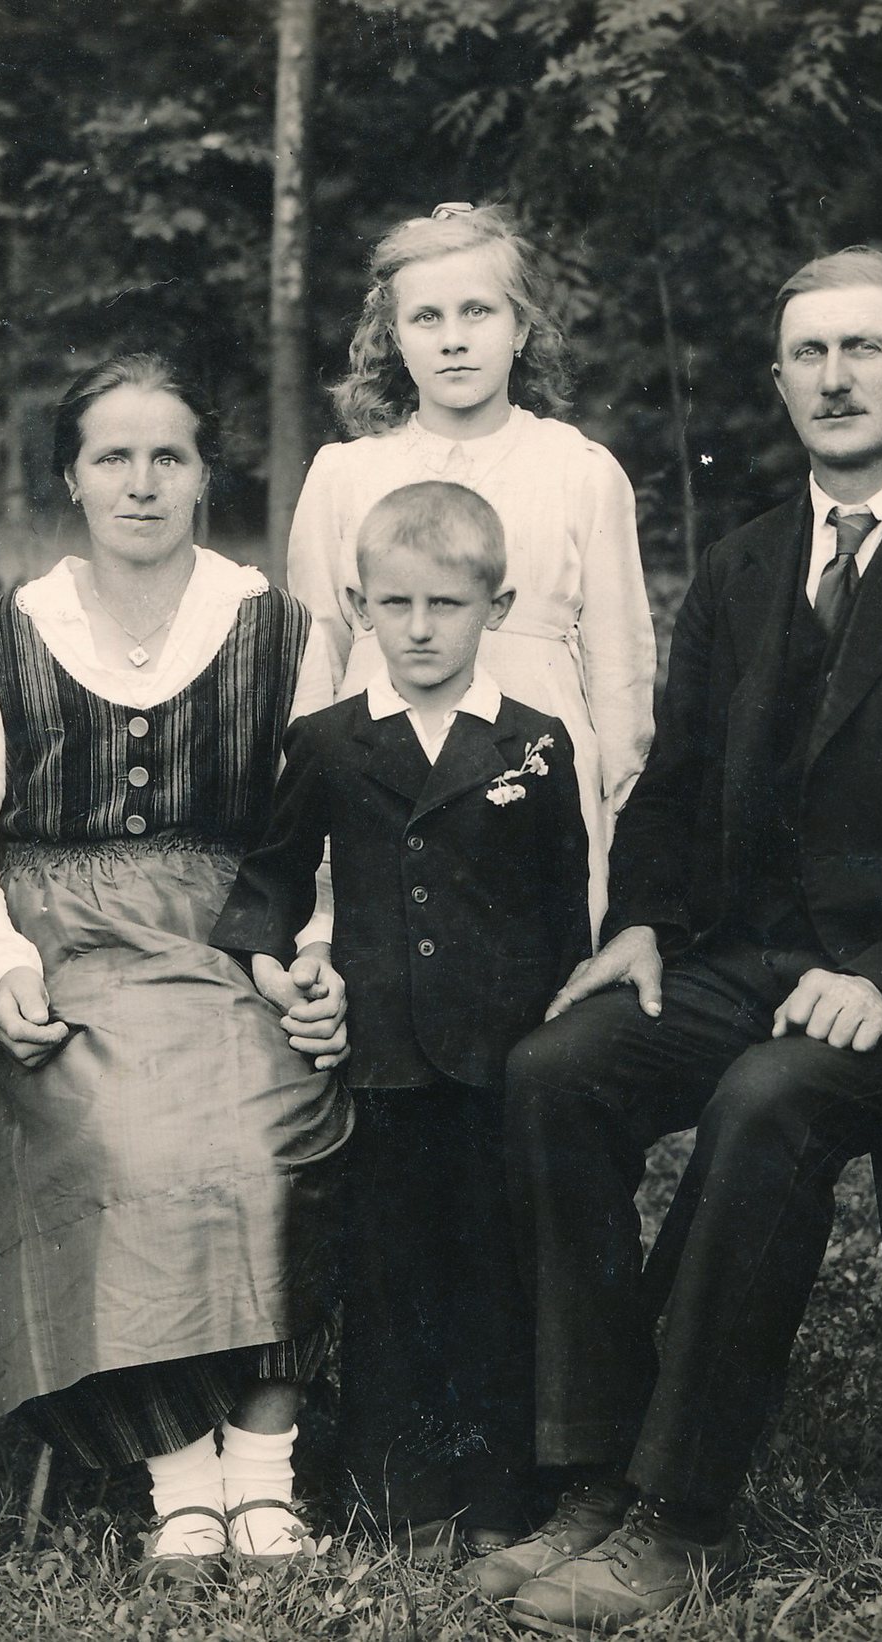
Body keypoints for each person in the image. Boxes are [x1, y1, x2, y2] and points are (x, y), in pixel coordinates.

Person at [472, 247, 882, 1636]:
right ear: (777, 379)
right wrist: (642, 920)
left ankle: (680, 1513)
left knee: (767, 1100)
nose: (834, 376)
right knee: (556, 1070)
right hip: (750, 959)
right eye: (808, 352)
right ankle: (592, 1465)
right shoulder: (749, 560)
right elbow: (672, 779)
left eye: (864, 348)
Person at [0, 353, 350, 1591]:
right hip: (63, 957)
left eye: (170, 455)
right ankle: (179, 1478)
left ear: (207, 474)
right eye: (112, 456)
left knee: (278, 1125)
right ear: (72, 476)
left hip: (237, 944)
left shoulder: (280, 631)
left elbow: (330, 834)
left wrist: (317, 956)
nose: (142, 482)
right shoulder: (1, 641)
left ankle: (261, 1469)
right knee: (123, 1138)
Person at [214, 481, 591, 1562]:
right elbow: (272, 881)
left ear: (496, 606)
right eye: (396, 604)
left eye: (446, 604)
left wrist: (552, 1029)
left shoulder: (535, 743)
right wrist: (279, 967)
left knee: (494, 1269)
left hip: (501, 1060)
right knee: (386, 1271)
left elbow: (564, 909)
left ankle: (500, 1491)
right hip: (377, 1058)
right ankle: (397, 1494)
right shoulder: (331, 741)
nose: (420, 629)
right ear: (359, 605)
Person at [286, 202, 656, 936]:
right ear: (395, 336)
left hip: (535, 781)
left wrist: (621, 825)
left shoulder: (580, 470)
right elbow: (315, 656)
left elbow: (621, 672)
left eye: (478, 312)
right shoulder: (344, 475)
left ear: (520, 328)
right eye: (426, 317)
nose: (453, 339)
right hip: (381, 768)